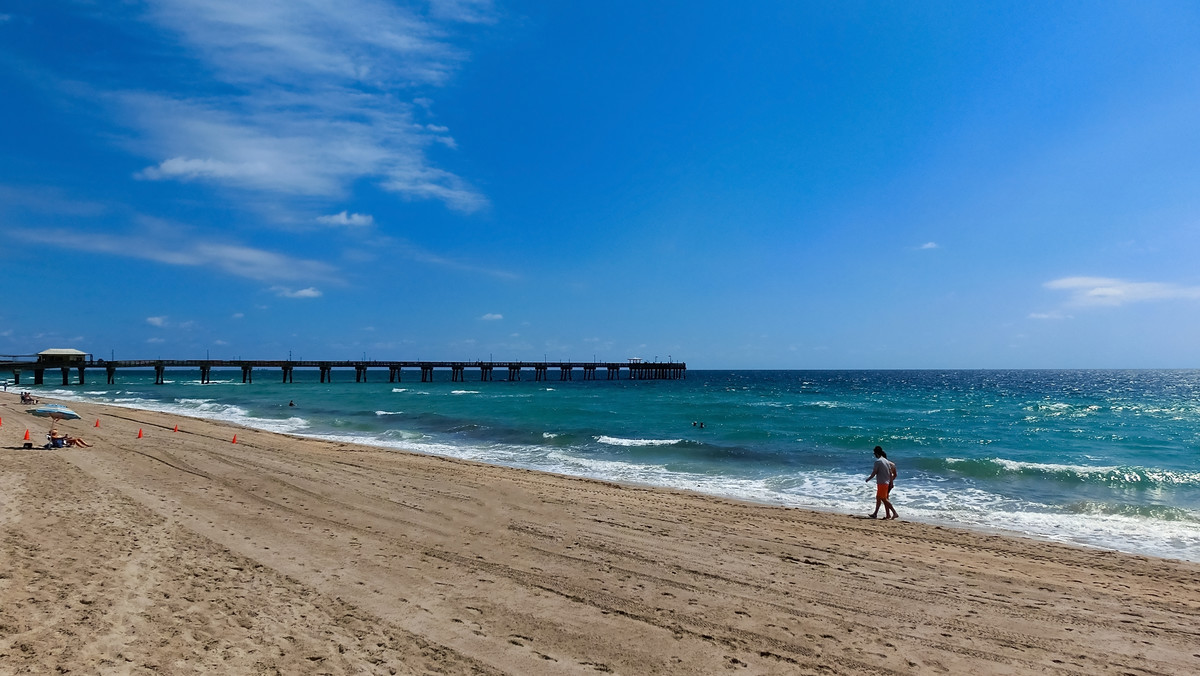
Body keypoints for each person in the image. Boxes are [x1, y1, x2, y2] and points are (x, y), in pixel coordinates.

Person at [866, 445, 898, 519]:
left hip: (882, 483)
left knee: (884, 499)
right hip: (886, 483)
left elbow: (874, 472)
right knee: (879, 497)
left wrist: (869, 478)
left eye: (874, 453)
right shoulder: (887, 462)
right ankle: (876, 514)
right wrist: (891, 482)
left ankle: (894, 513)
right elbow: (891, 473)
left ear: (876, 453)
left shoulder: (878, 462)